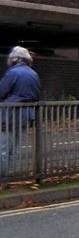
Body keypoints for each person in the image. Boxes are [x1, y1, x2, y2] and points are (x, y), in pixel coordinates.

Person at [0, 46, 41, 176]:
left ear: (14, 59)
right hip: (26, 115)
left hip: (10, 114)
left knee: (4, 147)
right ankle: (8, 174)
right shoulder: (33, 73)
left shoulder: (13, 73)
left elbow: (1, 91)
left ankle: (2, 175)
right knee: (15, 147)